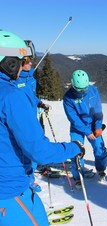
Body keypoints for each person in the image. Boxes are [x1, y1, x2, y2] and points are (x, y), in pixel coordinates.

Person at [0, 30, 85, 226]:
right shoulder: (11, 96)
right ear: (9, 63)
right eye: (20, 60)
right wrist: (74, 148)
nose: (23, 66)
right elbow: (39, 151)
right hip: (9, 192)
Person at [63, 69, 107, 189]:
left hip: (93, 124)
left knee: (100, 149)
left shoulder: (93, 90)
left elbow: (98, 111)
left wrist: (98, 126)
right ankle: (78, 177)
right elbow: (73, 118)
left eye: (84, 88)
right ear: (73, 85)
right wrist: (86, 131)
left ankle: (101, 169)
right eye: (79, 89)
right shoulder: (68, 98)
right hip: (78, 127)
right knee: (77, 152)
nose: (83, 91)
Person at [15, 49, 51, 192]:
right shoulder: (14, 79)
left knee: (34, 144)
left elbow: (31, 96)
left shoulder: (30, 77)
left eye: (31, 60)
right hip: (20, 119)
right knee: (23, 148)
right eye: (26, 61)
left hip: (32, 116)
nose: (30, 63)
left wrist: (39, 103)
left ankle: (30, 177)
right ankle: (26, 182)